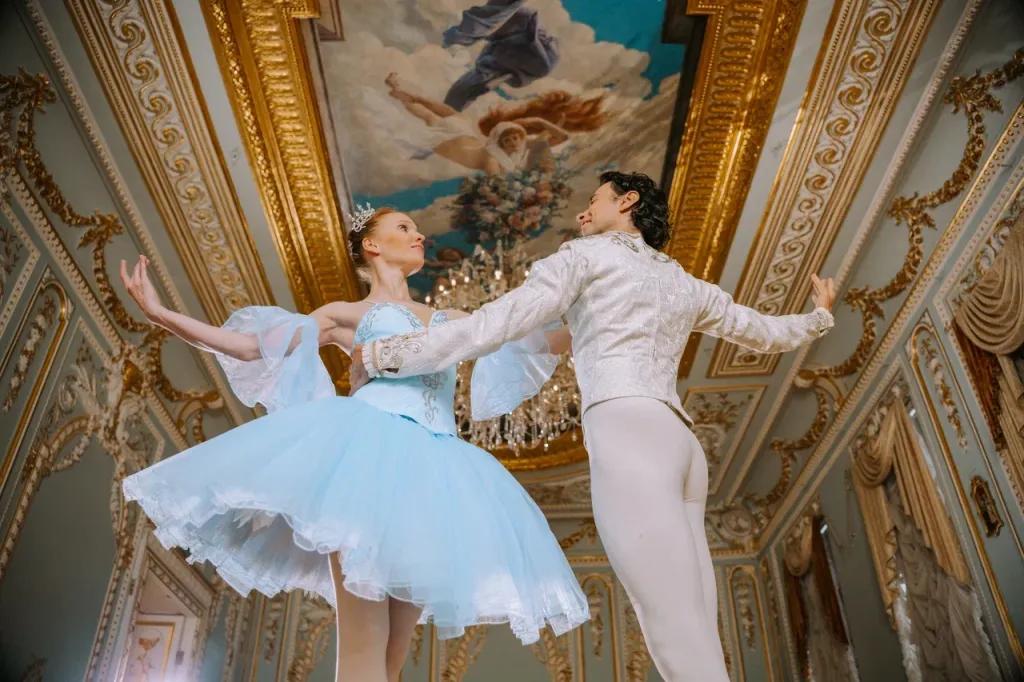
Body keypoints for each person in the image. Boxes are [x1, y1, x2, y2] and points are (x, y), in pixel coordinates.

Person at [351, 171, 837, 681]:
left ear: (628, 202)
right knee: (697, 622)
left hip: (629, 432)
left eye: (594, 200)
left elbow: (494, 324)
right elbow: (762, 331)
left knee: (671, 625)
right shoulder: (685, 282)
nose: (583, 212)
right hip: (682, 444)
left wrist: (384, 355)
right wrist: (819, 317)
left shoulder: (582, 257)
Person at [119, 206, 589, 682]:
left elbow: (534, 345)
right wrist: (161, 315)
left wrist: (599, 313)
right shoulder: (346, 314)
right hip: (367, 465)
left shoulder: (452, 320)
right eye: (405, 227)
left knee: (392, 662)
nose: (420, 236)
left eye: (417, 229)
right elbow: (247, 347)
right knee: (364, 649)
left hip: (434, 479)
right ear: (372, 245)